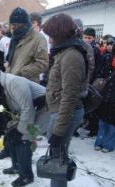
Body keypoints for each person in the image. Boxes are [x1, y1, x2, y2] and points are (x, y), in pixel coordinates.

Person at [0, 67, 45, 186]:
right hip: (28, 111)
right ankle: (16, 167)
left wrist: (21, 131)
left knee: (24, 139)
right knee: (11, 135)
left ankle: (26, 176)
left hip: (44, 108)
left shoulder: (14, 83)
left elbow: (28, 109)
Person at [43, 13, 87, 187]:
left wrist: (58, 131)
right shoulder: (64, 52)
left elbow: (69, 96)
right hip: (60, 110)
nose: (51, 40)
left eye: (52, 36)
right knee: (58, 155)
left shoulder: (71, 56)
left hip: (66, 113)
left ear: (60, 35)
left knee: (58, 160)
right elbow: (59, 85)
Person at [6, 7, 48, 83]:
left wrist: (21, 72)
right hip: (12, 81)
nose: (12, 27)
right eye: (11, 24)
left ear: (24, 24)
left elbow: (43, 63)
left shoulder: (38, 38)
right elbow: (12, 60)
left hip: (27, 84)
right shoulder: (15, 37)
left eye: (15, 24)